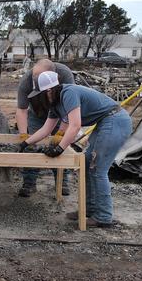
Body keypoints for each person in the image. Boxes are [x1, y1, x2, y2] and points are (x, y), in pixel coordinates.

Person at [19, 71, 132, 228]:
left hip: (115, 120)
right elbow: (46, 129)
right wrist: (25, 143)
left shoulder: (68, 93)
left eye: (41, 94)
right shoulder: (55, 104)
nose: (40, 98)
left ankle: (103, 217)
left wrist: (59, 148)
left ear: (49, 90)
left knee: (97, 168)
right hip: (105, 122)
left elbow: (75, 125)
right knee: (86, 164)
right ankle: (89, 210)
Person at [15, 59, 75, 197]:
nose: (35, 79)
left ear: (53, 75)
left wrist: (61, 132)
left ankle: (62, 182)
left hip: (59, 114)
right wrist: (24, 135)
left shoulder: (65, 74)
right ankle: (29, 183)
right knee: (31, 146)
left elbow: (69, 107)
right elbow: (21, 110)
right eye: (34, 77)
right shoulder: (26, 81)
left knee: (59, 144)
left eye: (39, 77)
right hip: (37, 115)